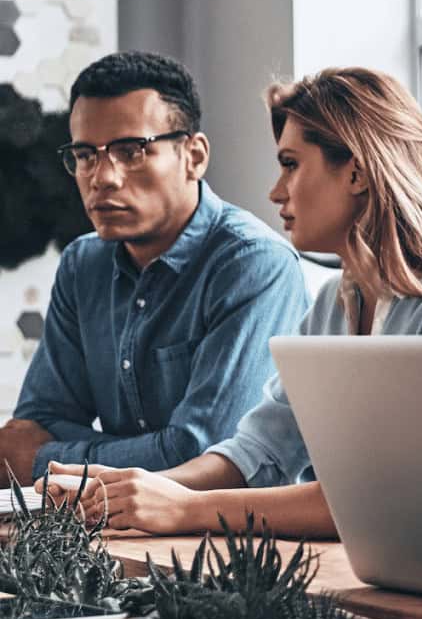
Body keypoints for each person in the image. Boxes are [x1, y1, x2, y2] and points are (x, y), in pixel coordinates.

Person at [43, 67, 422, 537]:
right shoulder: (331, 307)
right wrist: (132, 489)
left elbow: (390, 498)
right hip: (394, 576)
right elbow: (259, 450)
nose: (275, 192)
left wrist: (184, 507)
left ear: (358, 173)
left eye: (290, 165)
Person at [1, 52, 307, 485]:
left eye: (131, 151)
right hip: (121, 527)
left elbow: (206, 455)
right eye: (86, 155)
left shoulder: (254, 264)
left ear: (194, 156)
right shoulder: (81, 263)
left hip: (246, 544)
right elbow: (38, 421)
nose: (103, 177)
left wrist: (46, 457)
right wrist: (148, 450)